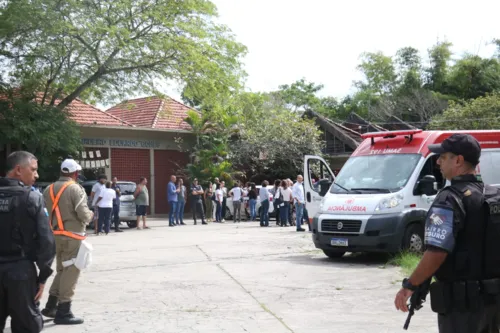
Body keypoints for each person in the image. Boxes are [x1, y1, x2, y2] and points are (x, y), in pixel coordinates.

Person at [394, 134, 500, 333]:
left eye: (443, 156)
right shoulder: (493, 196)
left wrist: (410, 285)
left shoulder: (449, 200)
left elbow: (436, 252)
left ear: (458, 160)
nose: (438, 161)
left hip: (462, 306)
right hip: (493, 301)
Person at [0, 151, 56, 332]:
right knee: (26, 326)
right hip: (21, 272)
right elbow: (46, 241)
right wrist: (43, 276)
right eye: (33, 170)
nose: (36, 175)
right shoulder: (32, 198)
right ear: (18, 170)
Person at [42, 158, 93, 325]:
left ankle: (51, 306)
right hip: (73, 237)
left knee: (62, 270)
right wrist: (92, 215)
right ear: (75, 173)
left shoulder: (48, 189)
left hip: (55, 235)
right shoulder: (75, 189)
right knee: (71, 271)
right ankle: (64, 311)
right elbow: (83, 214)